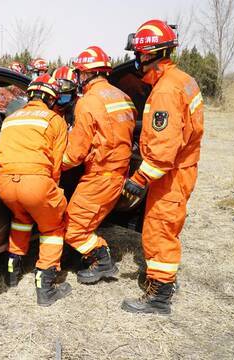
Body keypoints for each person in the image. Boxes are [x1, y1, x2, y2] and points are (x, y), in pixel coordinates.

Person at [121, 19, 204, 314]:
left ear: (149, 55)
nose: (138, 62)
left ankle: (159, 296)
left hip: (171, 174)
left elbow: (164, 147)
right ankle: (163, 284)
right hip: (182, 169)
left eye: (140, 56)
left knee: (159, 230)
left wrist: (140, 177)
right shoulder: (183, 80)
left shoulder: (166, 91)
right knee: (165, 227)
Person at [0, 73, 71, 306]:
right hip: (36, 182)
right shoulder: (54, 119)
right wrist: (51, 193)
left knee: (20, 219)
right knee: (53, 225)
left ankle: (11, 272)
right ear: (51, 99)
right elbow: (56, 165)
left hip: (4, 183)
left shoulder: (10, 118)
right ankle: (45, 286)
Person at [62, 46, 137, 284]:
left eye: (80, 74)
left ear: (85, 74)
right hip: (118, 173)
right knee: (86, 220)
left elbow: (76, 153)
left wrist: (55, 165)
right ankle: (84, 256)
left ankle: (102, 261)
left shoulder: (88, 103)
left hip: (100, 176)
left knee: (72, 227)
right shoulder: (123, 97)